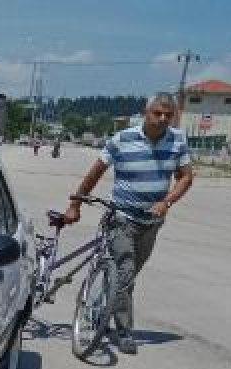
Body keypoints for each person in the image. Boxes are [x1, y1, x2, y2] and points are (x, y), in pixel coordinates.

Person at [62, 92, 193, 355]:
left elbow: (186, 177)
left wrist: (167, 202)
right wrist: (75, 204)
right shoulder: (122, 139)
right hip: (122, 217)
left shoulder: (178, 140)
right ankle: (123, 331)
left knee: (128, 275)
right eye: (158, 113)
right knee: (124, 271)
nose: (163, 118)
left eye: (168, 114)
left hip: (153, 221)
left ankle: (100, 305)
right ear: (146, 113)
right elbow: (96, 172)